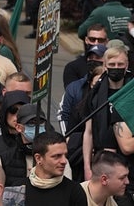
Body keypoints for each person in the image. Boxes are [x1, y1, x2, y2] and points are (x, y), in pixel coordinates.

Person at [84, 45, 131, 180]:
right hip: (102, 158)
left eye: (120, 64)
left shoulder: (131, 92)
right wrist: (87, 166)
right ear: (105, 66)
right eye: (112, 64)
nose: (116, 67)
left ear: (127, 65)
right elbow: (89, 132)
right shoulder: (95, 94)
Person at [24, 131, 87, 206]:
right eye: (57, 156)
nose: (64, 161)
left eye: (65, 155)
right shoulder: (19, 189)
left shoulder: (74, 191)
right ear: (38, 158)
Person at [64, 23, 109, 87]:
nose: (96, 43)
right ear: (86, 40)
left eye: (100, 40)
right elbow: (71, 92)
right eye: (92, 39)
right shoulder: (73, 67)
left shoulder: (112, 66)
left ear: (106, 41)